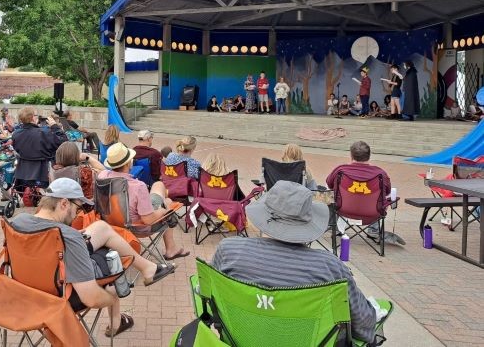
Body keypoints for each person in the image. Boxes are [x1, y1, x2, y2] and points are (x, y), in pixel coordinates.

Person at [212, 181, 382, 344]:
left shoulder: (229, 251)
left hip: (240, 340)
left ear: (263, 215)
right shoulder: (329, 267)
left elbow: (210, 300)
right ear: (308, 222)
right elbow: (363, 324)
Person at [10, 177, 174, 337]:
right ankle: (116, 320)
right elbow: (91, 298)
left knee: (101, 228)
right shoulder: (68, 237)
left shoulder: (18, 222)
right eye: (78, 208)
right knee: (112, 266)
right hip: (60, 296)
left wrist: (74, 236)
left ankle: (148, 268)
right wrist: (113, 298)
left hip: (27, 289)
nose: (76, 215)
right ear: (64, 203)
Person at [98, 143, 189, 261]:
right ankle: (171, 249)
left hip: (111, 223)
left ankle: (171, 247)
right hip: (137, 227)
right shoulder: (137, 186)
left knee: (161, 191)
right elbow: (148, 220)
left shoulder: (102, 176)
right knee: (166, 201)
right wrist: (163, 211)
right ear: (127, 163)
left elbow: (99, 168)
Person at [325, 141, 403, 245]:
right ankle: (373, 231)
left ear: (351, 155)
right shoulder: (380, 173)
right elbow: (387, 192)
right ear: (369, 156)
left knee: (327, 194)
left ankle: (334, 226)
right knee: (382, 198)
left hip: (343, 210)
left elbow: (329, 184)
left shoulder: (341, 170)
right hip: (372, 214)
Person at [11, 106, 68, 185]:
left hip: (22, 174)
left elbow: (17, 149)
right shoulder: (44, 133)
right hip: (43, 174)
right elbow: (64, 141)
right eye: (36, 115)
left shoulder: (15, 134)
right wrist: (55, 126)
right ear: (33, 118)